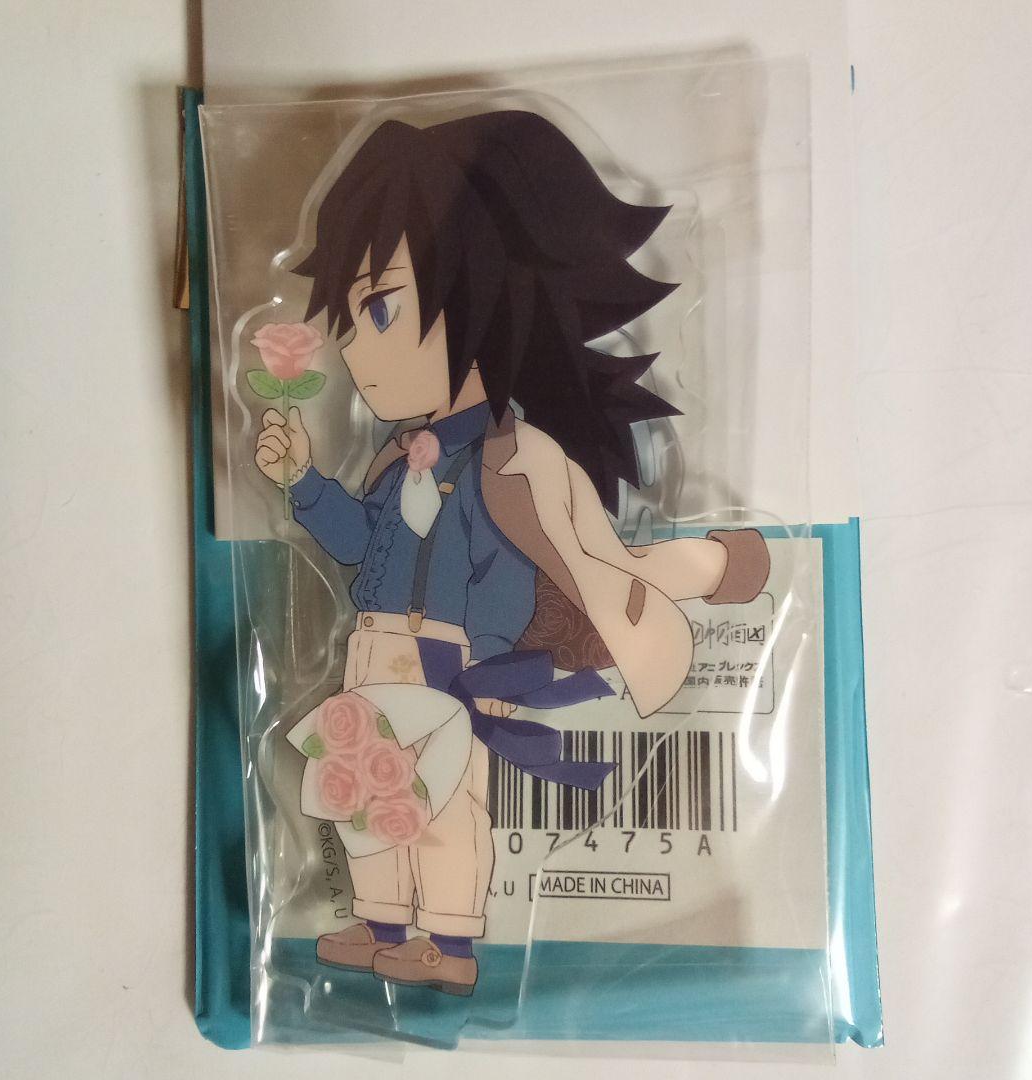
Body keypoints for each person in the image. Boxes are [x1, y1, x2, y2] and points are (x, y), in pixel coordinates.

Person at [254, 111, 769, 995]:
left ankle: (449, 943)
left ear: (486, 294)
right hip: (371, 650)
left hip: (450, 661)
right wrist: (304, 480)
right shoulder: (394, 458)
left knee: (448, 806)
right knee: (366, 795)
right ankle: (382, 923)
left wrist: (484, 663)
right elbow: (360, 548)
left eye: (380, 309)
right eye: (350, 317)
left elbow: (575, 562)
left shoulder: (512, 460)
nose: (354, 348)